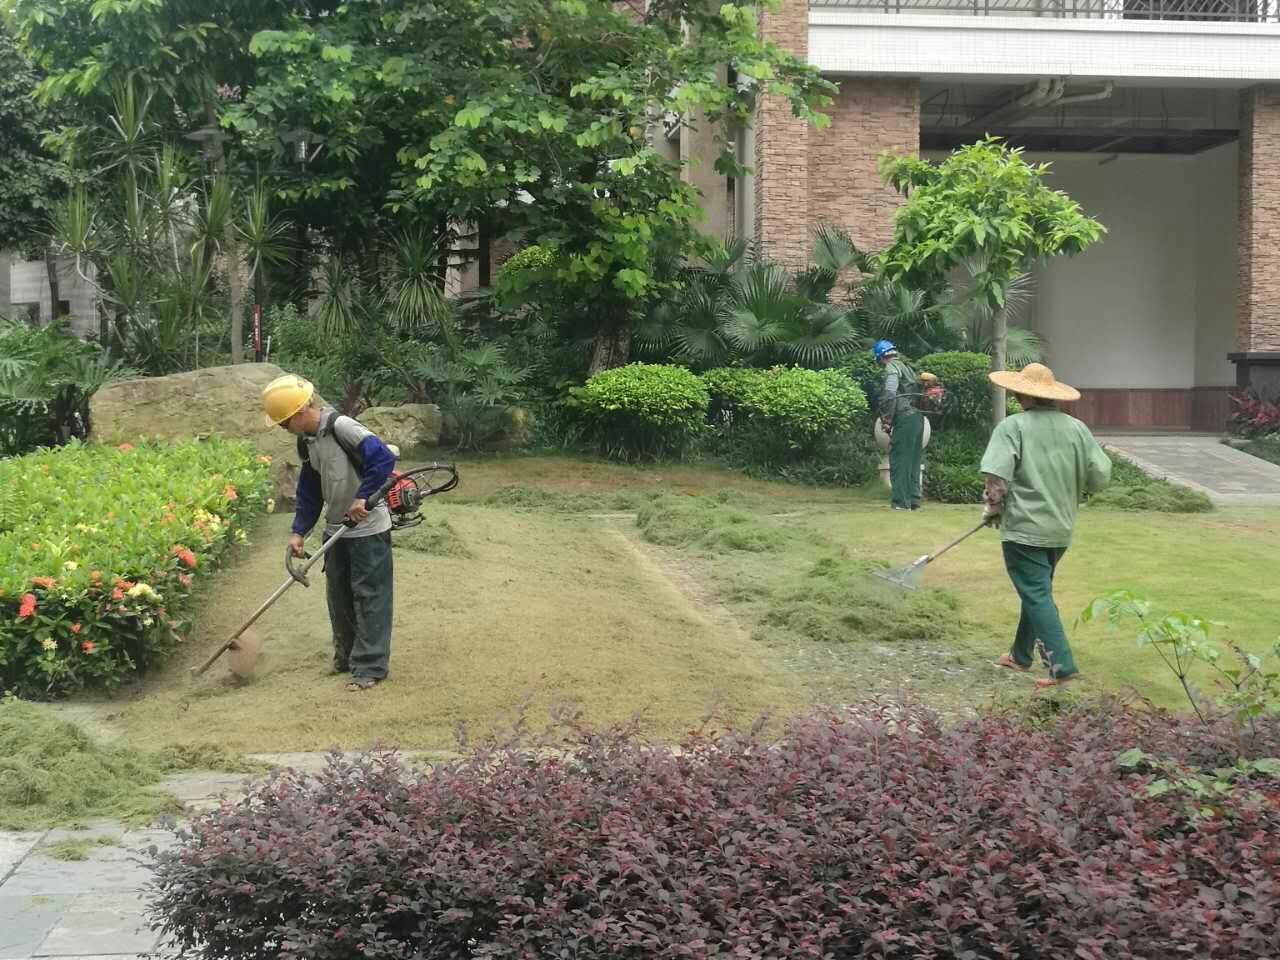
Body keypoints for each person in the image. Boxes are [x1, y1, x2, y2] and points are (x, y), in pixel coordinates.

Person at [262, 373, 398, 692]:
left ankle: (370, 667)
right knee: (339, 597)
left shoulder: (342, 427)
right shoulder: (306, 441)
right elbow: (309, 490)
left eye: (283, 422)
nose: (282, 428)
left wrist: (363, 496)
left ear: (299, 412)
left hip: (368, 529)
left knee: (369, 596)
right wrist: (299, 532)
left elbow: (383, 459)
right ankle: (347, 656)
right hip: (337, 530)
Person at [979, 362, 1111, 688]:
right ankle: (1020, 655)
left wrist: (993, 508)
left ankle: (1061, 664)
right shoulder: (1077, 428)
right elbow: (1100, 475)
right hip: (1060, 529)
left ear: (1021, 394)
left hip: (1025, 529)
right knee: (1037, 590)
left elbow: (997, 477)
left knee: (1036, 593)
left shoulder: (1013, 427)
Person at [874, 340, 925, 510]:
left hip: (905, 418)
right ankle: (914, 500)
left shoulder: (891, 369)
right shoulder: (907, 368)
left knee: (900, 459)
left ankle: (901, 502)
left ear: (881, 357)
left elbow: (890, 394)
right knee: (913, 460)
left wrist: (887, 419)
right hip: (918, 417)